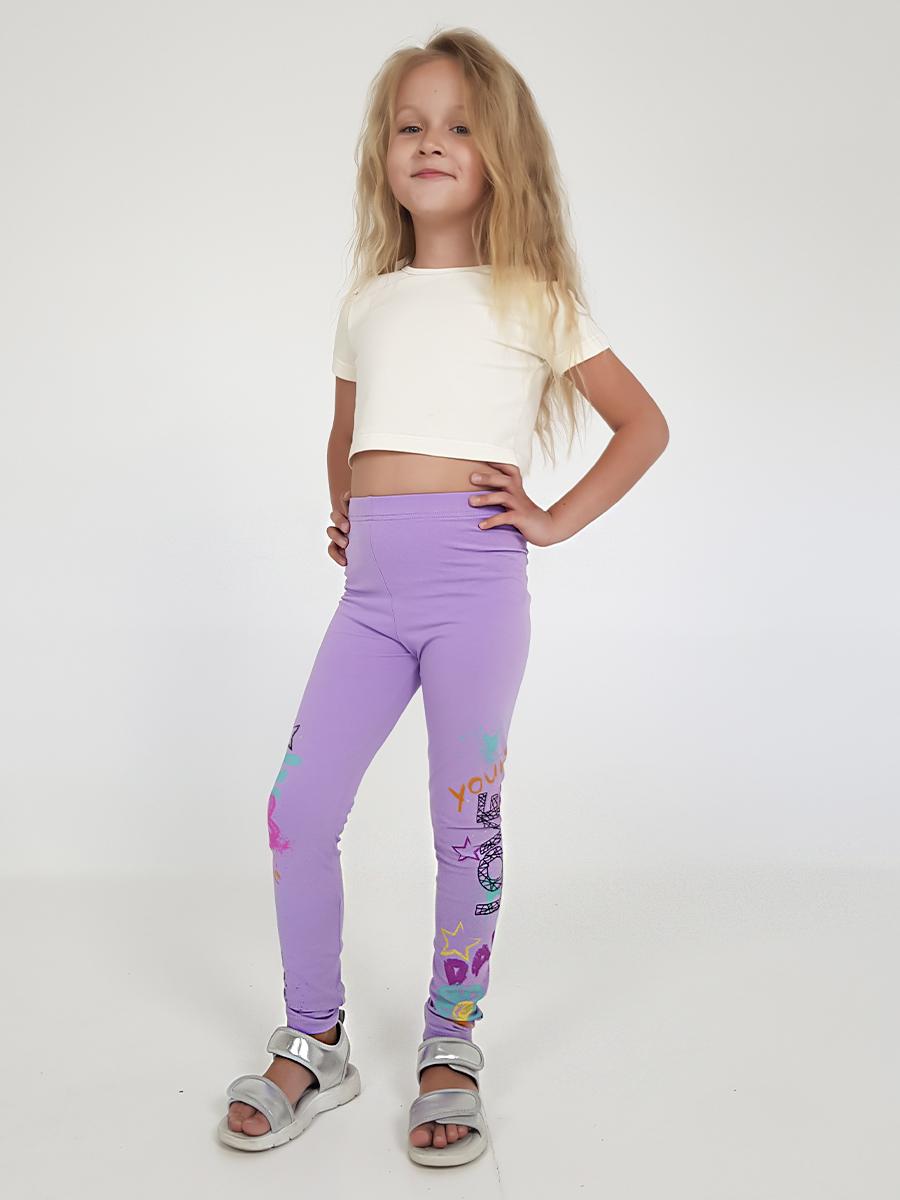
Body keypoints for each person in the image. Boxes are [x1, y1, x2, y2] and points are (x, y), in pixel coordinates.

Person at [218, 27, 669, 1167]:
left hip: (476, 590)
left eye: (459, 126)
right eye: (410, 125)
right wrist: (347, 511)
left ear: (500, 154)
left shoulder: (536, 297)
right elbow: (345, 432)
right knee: (297, 809)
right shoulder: (368, 302)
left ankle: (450, 1043)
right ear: (384, 154)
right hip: (370, 600)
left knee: (465, 823)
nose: (431, 142)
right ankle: (315, 1038)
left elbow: (643, 424)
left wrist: (552, 519)